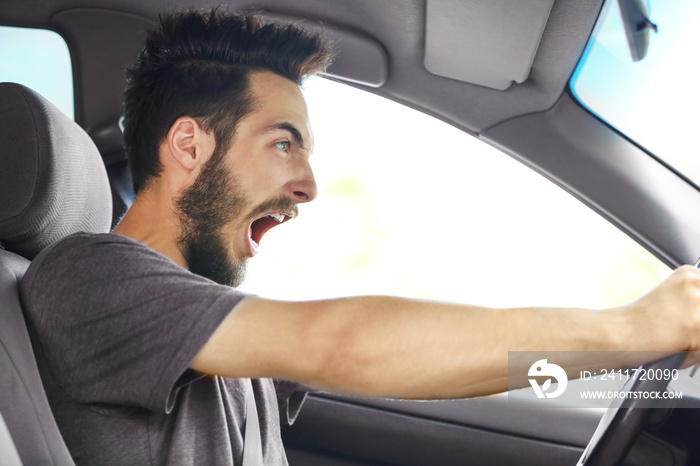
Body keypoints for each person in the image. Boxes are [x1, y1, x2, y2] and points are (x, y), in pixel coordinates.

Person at [19, 7, 700, 466]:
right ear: (190, 145)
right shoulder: (88, 278)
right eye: (284, 144)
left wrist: (636, 373)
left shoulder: (217, 338)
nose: (309, 184)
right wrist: (631, 328)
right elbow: (345, 342)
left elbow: (423, 359)